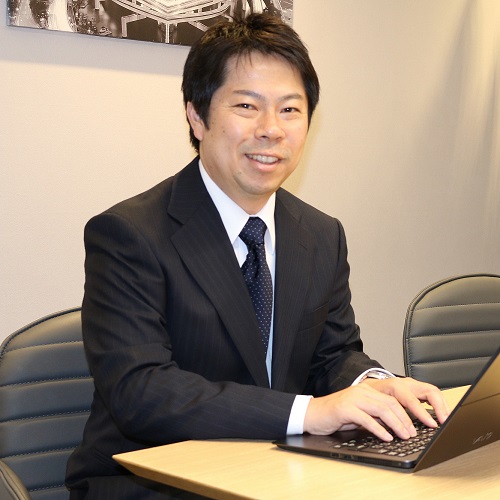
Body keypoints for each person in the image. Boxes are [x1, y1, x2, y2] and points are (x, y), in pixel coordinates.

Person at [66, 13, 450, 499]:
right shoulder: (129, 234)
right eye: (247, 106)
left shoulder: (320, 234)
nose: (271, 130)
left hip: (277, 472)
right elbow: (141, 392)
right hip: (153, 482)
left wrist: (374, 383)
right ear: (197, 116)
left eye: (290, 109)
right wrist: (308, 412)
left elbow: (332, 355)